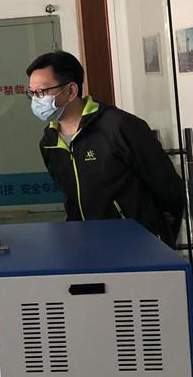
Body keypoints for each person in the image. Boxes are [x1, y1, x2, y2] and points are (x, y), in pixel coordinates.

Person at [26, 51, 184, 244]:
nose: (36, 100)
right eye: (32, 93)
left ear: (71, 91)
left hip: (136, 242)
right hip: (86, 242)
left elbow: (168, 187)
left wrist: (161, 231)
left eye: (42, 92)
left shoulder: (119, 127)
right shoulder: (49, 142)